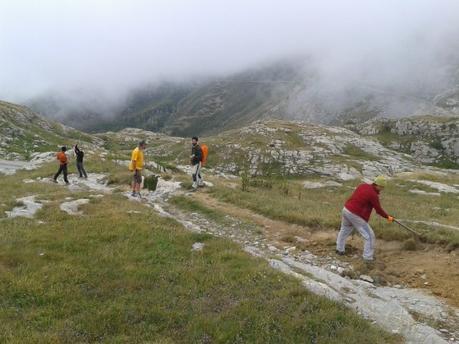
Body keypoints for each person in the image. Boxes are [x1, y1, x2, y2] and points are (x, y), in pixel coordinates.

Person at [336, 175, 394, 262]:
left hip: (346, 209)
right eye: (382, 187)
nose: (382, 189)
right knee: (370, 236)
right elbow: (378, 210)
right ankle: (368, 258)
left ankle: (339, 250)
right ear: (377, 185)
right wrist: (388, 217)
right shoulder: (373, 195)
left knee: (345, 229)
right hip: (355, 214)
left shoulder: (362, 186)